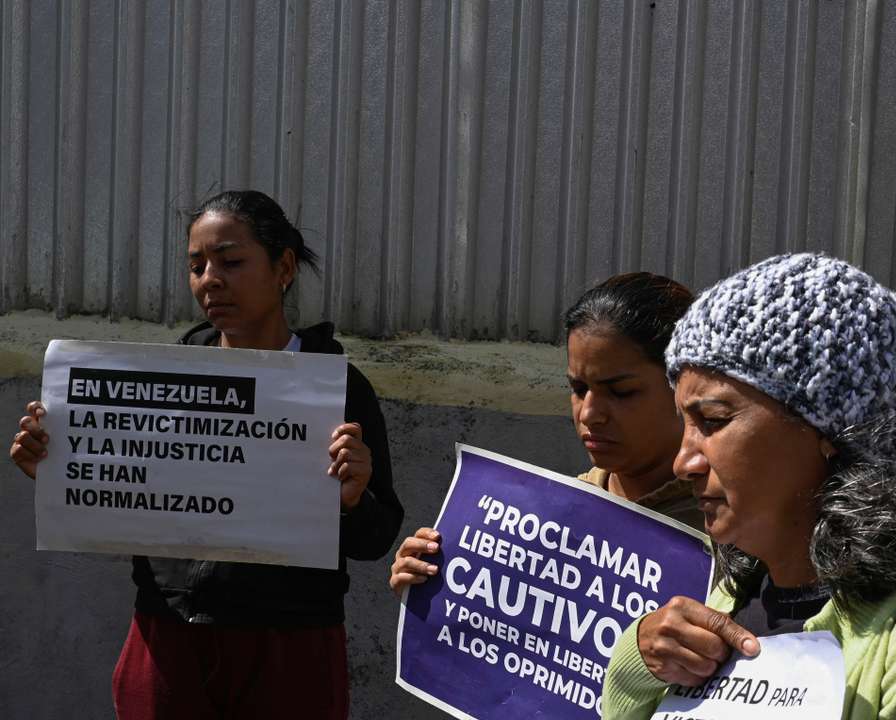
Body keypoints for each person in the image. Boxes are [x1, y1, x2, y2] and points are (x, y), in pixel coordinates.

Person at [9, 190, 403, 719]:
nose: (209, 280)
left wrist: (355, 498)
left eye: (231, 262)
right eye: (196, 266)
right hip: (166, 639)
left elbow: (376, 538)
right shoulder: (162, 378)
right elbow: (129, 495)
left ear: (283, 267)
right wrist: (59, 469)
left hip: (290, 649)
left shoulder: (338, 390)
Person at [601, 253, 896, 719]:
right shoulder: (726, 604)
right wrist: (640, 663)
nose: (683, 463)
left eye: (713, 421)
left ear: (830, 435)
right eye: (684, 425)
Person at [389, 272, 699, 592]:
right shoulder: (546, 522)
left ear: (684, 387)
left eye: (620, 391)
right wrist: (428, 593)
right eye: (578, 389)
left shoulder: (727, 536)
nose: (589, 414)